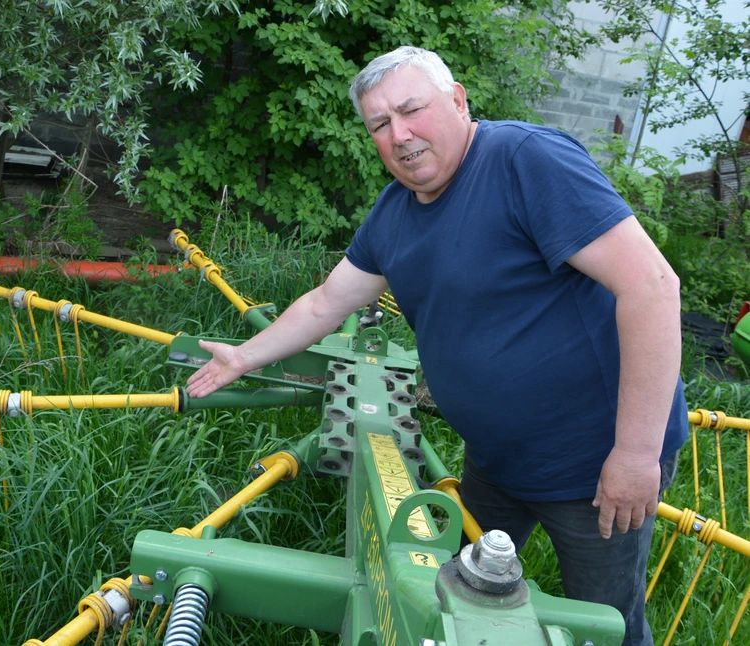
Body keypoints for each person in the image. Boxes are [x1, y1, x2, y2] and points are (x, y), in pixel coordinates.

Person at [185, 46, 688, 646]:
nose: (400, 135)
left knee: (606, 626)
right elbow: (327, 303)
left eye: (411, 110)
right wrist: (243, 357)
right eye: (380, 124)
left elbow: (653, 288)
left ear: (456, 100)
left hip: (592, 465)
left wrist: (635, 454)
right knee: (458, 603)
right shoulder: (395, 212)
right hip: (495, 463)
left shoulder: (525, 161)